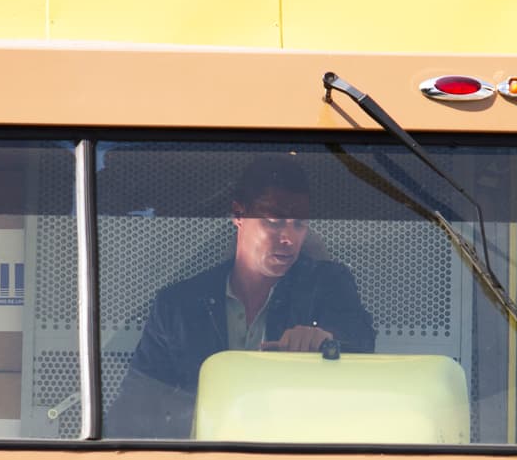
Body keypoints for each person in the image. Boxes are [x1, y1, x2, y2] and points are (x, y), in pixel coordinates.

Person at [106, 155, 375, 438]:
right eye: (274, 221)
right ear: (238, 214)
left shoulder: (327, 284)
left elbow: (362, 340)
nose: (288, 238)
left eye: (299, 224)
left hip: (297, 456)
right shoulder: (178, 306)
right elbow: (132, 413)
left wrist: (326, 339)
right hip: (201, 458)